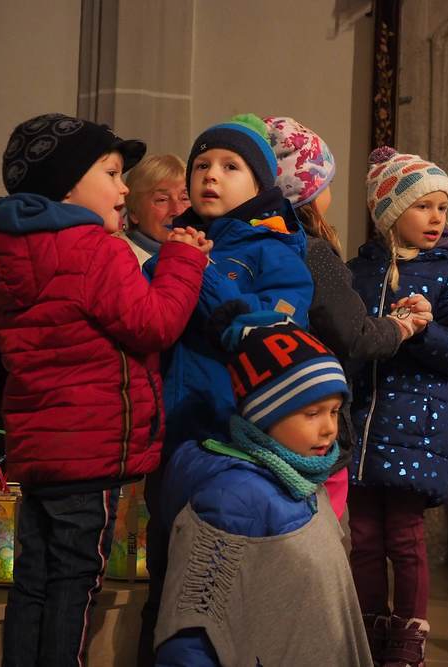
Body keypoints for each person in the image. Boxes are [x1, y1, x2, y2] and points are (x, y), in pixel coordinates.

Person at [0, 113, 210, 666]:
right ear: (66, 184)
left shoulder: (7, 249)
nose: (123, 188)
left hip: (40, 449)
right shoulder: (95, 249)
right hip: (90, 450)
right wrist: (184, 260)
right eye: (112, 174)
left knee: (33, 580)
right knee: (75, 581)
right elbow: (154, 323)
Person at [138, 114, 315, 665]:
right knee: (164, 574)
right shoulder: (175, 244)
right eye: (201, 165)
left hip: (233, 444)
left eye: (230, 166)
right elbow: (143, 315)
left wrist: (200, 270)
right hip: (170, 437)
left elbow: (269, 333)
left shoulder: (275, 253)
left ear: (259, 185)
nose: (210, 175)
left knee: (216, 582)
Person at [153, 306, 372, 665]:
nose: (330, 428)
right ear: (265, 414)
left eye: (334, 411)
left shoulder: (302, 482)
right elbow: (194, 628)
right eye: (312, 413)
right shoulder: (231, 499)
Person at [263, 115, 433, 537]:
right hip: (310, 419)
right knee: (321, 541)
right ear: (307, 190)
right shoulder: (313, 253)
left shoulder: (252, 242)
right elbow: (355, 336)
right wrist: (403, 326)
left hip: (265, 416)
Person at [347, 146, 448, 666]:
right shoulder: (358, 271)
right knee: (363, 537)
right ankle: (367, 624)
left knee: (404, 537)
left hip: (416, 431)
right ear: (390, 211)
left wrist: (424, 329)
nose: (436, 218)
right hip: (361, 424)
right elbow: (348, 340)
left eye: (442, 208)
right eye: (423, 206)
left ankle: (408, 634)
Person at [117, 154, 190, 265]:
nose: (178, 211)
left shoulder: (208, 250)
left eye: (185, 198)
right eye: (162, 200)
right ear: (134, 213)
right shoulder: (116, 258)